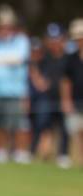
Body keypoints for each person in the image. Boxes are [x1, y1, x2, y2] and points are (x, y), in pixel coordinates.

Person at [0, 7, 31, 164]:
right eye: (1, 26)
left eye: (7, 26)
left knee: (18, 124)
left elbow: (18, 58)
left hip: (15, 91)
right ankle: (1, 151)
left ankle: (20, 152)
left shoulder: (21, 40)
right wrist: (3, 59)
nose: (4, 29)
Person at [30, 25, 70, 168]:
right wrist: (40, 81)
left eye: (57, 39)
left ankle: (63, 155)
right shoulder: (44, 58)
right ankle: (35, 153)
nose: (54, 42)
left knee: (64, 128)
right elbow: (34, 68)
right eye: (51, 39)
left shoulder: (68, 58)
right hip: (46, 98)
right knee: (42, 125)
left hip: (64, 99)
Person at [61, 19, 83, 167]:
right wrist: (66, 100)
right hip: (76, 100)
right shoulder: (71, 57)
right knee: (79, 131)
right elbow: (65, 81)